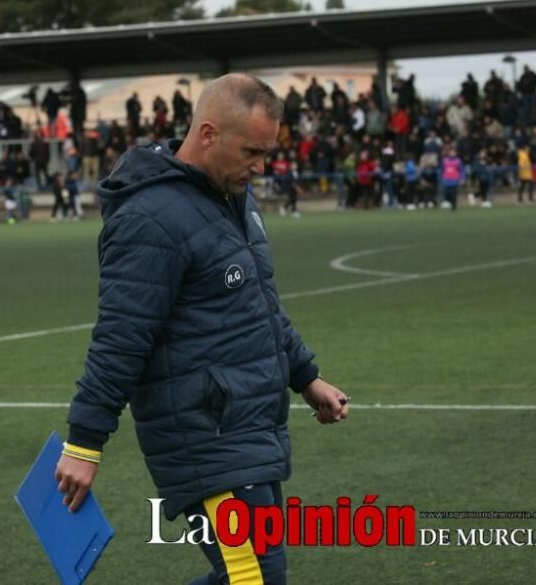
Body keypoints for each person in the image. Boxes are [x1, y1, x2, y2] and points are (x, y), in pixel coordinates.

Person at [55, 73, 349, 585]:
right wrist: (84, 444)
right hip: (203, 434)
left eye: (267, 153)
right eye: (252, 152)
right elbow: (121, 337)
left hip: (251, 423)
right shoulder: (150, 217)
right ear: (208, 134)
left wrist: (305, 376)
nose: (261, 168)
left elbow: (258, 304)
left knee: (255, 577)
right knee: (253, 579)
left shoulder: (232, 195)